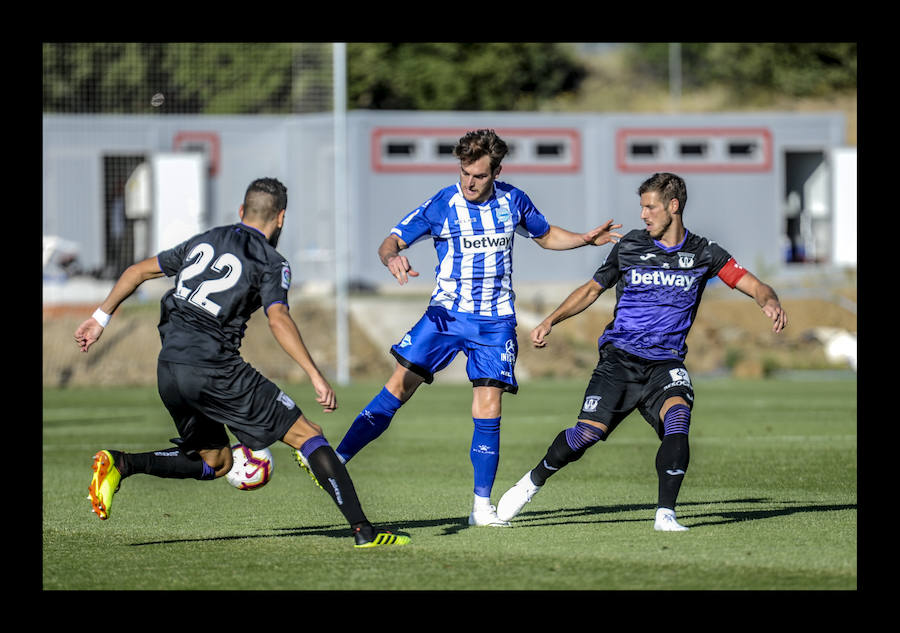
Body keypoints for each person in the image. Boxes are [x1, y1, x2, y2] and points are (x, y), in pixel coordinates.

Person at [74, 177, 409, 549]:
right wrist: (314, 374)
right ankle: (364, 531)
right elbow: (278, 319)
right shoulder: (271, 261)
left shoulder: (205, 239)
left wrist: (99, 319)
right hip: (215, 368)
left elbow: (137, 271)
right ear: (280, 218)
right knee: (309, 435)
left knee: (215, 461)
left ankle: (120, 464)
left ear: (240, 211)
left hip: (169, 368)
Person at [325, 129, 623, 527]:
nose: (469, 181)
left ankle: (481, 506)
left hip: (495, 321)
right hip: (445, 316)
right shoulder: (443, 203)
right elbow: (391, 241)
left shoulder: (513, 200)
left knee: (489, 406)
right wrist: (391, 258)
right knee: (398, 387)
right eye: (465, 172)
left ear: (496, 171)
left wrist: (585, 240)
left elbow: (546, 235)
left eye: (479, 175)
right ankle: (335, 460)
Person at [495, 172, 788, 531]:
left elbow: (753, 284)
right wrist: (550, 320)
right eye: (642, 207)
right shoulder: (630, 246)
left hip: (665, 363)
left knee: (678, 418)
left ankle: (666, 514)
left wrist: (768, 301)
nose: (644, 215)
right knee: (586, 435)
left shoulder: (704, 252)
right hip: (619, 360)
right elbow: (591, 290)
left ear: (673, 206)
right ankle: (532, 482)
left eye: (650, 207)